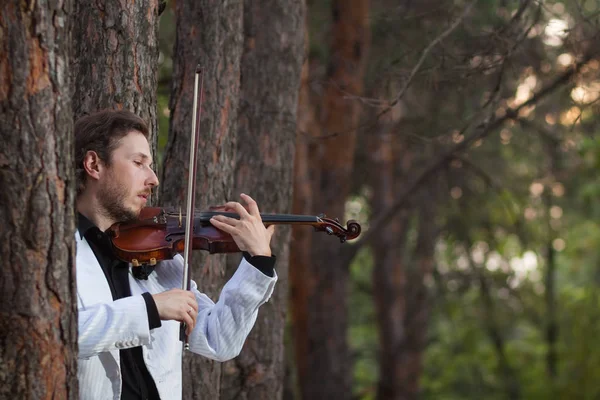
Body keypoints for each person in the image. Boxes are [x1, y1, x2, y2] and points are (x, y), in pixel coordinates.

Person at [74, 109, 277, 400]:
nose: (153, 178)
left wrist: (258, 261)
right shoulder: (57, 252)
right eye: (138, 163)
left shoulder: (157, 258)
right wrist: (150, 309)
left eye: (151, 165)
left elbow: (217, 340)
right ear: (94, 164)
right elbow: (56, 333)